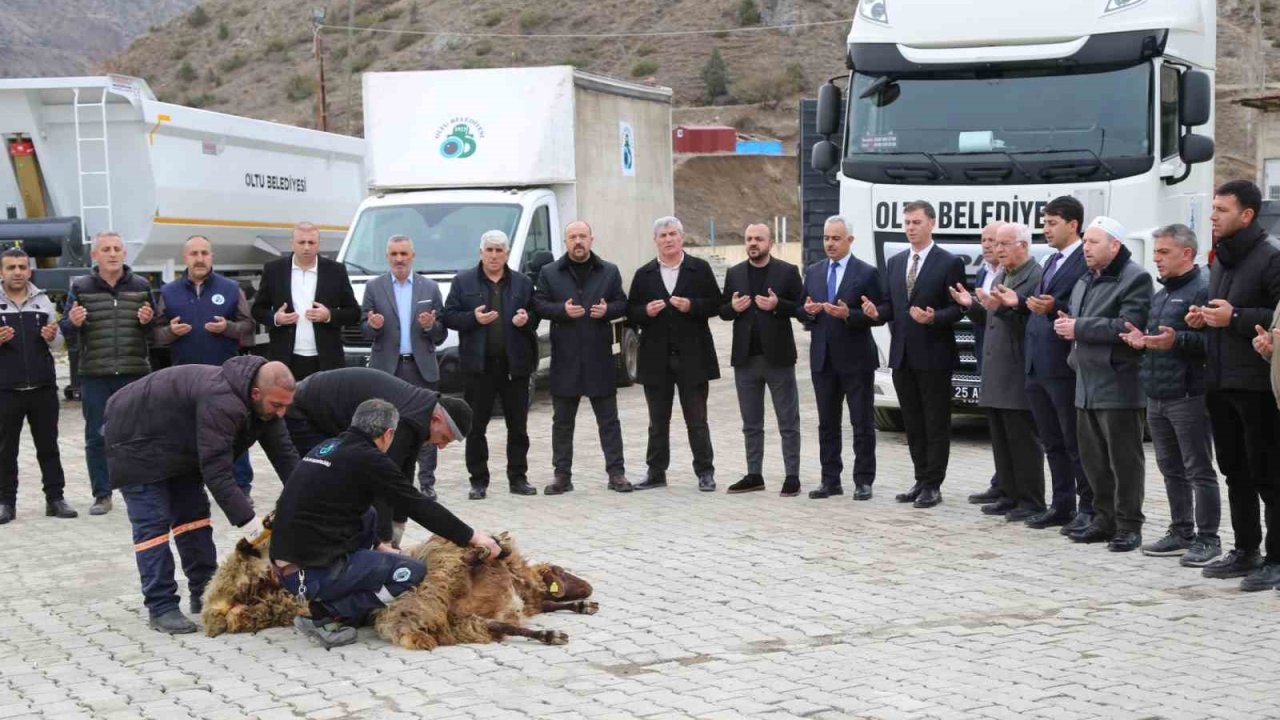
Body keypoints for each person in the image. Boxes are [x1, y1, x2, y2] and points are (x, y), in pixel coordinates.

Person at [271, 398, 500, 649]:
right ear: (389, 434)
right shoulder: (368, 458)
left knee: (368, 512)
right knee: (410, 572)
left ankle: (342, 594)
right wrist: (472, 537)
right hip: (310, 576)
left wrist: (379, 545)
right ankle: (327, 614)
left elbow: (349, 509)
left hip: (287, 567)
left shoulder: (329, 447)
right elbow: (418, 505)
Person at [103, 357, 300, 634]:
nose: (281, 413)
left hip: (177, 446)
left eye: (286, 406)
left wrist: (308, 497)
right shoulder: (223, 401)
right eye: (277, 405)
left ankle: (205, 593)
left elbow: (286, 456)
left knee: (193, 517)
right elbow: (217, 472)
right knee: (153, 526)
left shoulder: (266, 408)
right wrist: (252, 526)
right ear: (256, 393)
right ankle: (161, 607)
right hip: (135, 441)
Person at [1189, 180, 1280, 590]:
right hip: (1220, 379)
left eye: (1222, 210)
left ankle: (1277, 559)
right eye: (1213, 209)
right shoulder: (1221, 258)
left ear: (1247, 215)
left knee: (1269, 474)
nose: (1213, 216)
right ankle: (1246, 550)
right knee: (1235, 471)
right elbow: (1222, 310)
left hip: (1258, 385)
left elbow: (1275, 316)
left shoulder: (1271, 257)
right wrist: (1203, 317)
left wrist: (1236, 318)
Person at [1119, 224, 1220, 566]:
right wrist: (1141, 342)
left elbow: (1212, 345)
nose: (1157, 259)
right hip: (1157, 394)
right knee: (1170, 467)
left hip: (1188, 394)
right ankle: (1181, 531)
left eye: (1164, 252)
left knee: (1198, 469)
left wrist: (1175, 340)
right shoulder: (1161, 296)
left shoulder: (1203, 291)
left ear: (1187, 253)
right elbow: (1159, 340)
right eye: (1156, 252)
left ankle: (1208, 538)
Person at [1054, 216, 1152, 552]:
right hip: (1085, 382)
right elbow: (1077, 321)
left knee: (1124, 461)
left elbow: (1128, 325)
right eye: (1084, 242)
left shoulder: (1135, 278)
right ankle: (1103, 519)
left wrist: (1079, 327)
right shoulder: (1084, 280)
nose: (1086, 248)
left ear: (1115, 244)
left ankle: (1129, 526)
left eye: (1093, 242)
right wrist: (1069, 328)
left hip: (1118, 383)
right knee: (1093, 460)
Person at [861, 201, 965, 508]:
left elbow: (960, 308)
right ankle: (920, 478)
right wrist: (874, 312)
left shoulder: (949, 262)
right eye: (906, 222)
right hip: (903, 356)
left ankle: (934, 483)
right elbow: (890, 307)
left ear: (931, 223)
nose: (910, 227)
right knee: (913, 423)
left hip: (935, 356)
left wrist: (934, 317)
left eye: (916, 222)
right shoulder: (895, 263)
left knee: (935, 422)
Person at [285, 367, 472, 533]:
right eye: (445, 438)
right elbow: (382, 484)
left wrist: (399, 522)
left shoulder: (420, 414)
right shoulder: (406, 422)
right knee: (323, 483)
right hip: (305, 410)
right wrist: (384, 538)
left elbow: (403, 473)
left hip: (328, 411)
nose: (441, 446)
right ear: (436, 420)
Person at [949, 223, 1045, 521]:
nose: (998, 249)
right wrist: (971, 306)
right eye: (996, 244)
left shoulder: (1035, 277)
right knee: (1002, 439)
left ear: (1024, 246)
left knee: (1022, 441)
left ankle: (1030, 501)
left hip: (1017, 371)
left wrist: (1001, 307)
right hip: (996, 369)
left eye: (1005, 244)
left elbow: (1029, 324)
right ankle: (1007, 493)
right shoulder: (1004, 274)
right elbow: (993, 318)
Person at [60, 230, 155, 516]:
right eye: (106, 249)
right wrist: (73, 323)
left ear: (124, 254)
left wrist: (148, 322)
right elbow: (65, 330)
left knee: (138, 434)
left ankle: (142, 488)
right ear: (95, 255)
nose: (112, 253)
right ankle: (102, 494)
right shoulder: (80, 287)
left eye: (117, 248)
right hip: (95, 374)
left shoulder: (140, 285)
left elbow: (157, 329)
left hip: (133, 371)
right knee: (96, 436)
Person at [533, 220, 632, 495]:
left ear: (591, 239)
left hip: (598, 358)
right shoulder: (550, 272)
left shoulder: (608, 271)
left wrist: (608, 311)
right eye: (573, 237)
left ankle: (616, 473)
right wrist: (561, 311)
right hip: (565, 359)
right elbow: (538, 304)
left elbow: (623, 303)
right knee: (562, 422)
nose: (578, 241)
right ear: (565, 242)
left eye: (583, 236)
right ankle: (562, 476)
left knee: (609, 421)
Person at [154, 236, 257, 496]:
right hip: (184, 379)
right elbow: (154, 334)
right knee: (188, 436)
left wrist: (228, 328)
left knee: (233, 433)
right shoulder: (168, 292)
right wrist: (171, 331)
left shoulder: (232, 288)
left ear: (212, 256)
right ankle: (189, 489)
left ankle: (240, 487)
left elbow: (249, 327)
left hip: (225, 376)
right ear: (184, 257)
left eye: (204, 253)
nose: (199, 259)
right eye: (193, 254)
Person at [442, 230, 540, 500]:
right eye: (490, 250)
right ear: (481, 253)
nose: (494, 255)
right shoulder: (463, 282)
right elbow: (449, 316)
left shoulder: (521, 282)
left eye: (499, 250)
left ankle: (518, 478)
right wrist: (472, 318)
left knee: (518, 426)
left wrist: (526, 319)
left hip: (515, 366)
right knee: (476, 427)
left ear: (507, 254)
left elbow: (536, 312)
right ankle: (478, 481)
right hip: (479, 367)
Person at [628, 217, 722, 492]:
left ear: (682, 238)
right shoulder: (644, 274)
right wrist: (646, 311)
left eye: (672, 234)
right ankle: (656, 472)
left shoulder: (699, 269)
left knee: (697, 419)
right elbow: (630, 311)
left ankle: (705, 472)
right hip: (656, 358)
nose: (668, 239)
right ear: (655, 241)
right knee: (657, 420)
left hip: (692, 357)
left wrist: (691, 305)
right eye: (662, 235)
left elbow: (717, 304)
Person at [799, 216, 884, 500]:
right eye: (826, 238)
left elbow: (878, 314)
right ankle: (830, 479)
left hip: (856, 359)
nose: (830, 244)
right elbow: (804, 312)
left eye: (836, 238)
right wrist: (809, 311)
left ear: (850, 240)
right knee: (827, 423)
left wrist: (850, 314)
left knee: (861, 422)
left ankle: (863, 480)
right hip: (823, 359)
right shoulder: (813, 272)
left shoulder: (867, 273)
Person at [1022, 196, 1093, 532]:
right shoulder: (1050, 261)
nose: (1045, 229)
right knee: (1050, 439)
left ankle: (1087, 507)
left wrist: (1054, 306)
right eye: (1045, 222)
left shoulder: (1084, 260)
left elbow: (1078, 304)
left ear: (1073, 224)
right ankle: (1061, 504)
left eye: (1052, 223)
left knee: (1072, 440)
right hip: (1037, 362)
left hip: (1062, 364)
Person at [718, 223, 803, 494]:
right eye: (749, 239)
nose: (753, 243)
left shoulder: (787, 272)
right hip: (745, 359)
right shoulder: (735, 273)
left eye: (759, 239)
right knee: (751, 423)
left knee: (788, 422)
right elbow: (722, 310)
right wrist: (731, 307)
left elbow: (803, 309)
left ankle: (792, 476)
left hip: (779, 359)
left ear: (771, 243)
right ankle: (754, 474)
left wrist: (779, 306)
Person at [359, 234, 447, 497]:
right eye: (394, 254)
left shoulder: (429, 288)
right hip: (387, 369)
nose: (399, 259)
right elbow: (363, 329)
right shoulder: (374, 287)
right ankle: (388, 479)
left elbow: (441, 333)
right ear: (387, 257)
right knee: (385, 424)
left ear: (412, 256)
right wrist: (372, 326)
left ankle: (427, 483)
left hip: (420, 368)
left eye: (403, 254)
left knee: (427, 424)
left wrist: (431, 326)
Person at [0, 248, 76, 523]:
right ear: (2, 272)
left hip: (43, 388)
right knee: (5, 450)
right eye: (11, 267)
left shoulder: (42, 300)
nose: (17, 272)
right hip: (6, 390)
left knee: (49, 447)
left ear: (29, 270)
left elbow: (58, 346)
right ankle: (6, 503)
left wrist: (52, 335)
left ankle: (55, 499)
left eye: (22, 267)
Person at [251, 221, 359, 381]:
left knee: (324, 405)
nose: (307, 247)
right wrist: (276, 318)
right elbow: (257, 310)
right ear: (292, 244)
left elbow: (354, 312)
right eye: (302, 242)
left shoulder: (335, 271)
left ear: (318, 244)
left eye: (311, 242)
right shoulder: (274, 270)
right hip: (286, 358)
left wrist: (329, 315)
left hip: (326, 359)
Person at [968, 222, 1005, 506]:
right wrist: (969, 305)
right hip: (985, 356)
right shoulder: (983, 272)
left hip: (1006, 361)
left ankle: (1009, 484)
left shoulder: (1006, 275)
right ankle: (1000, 480)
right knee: (994, 423)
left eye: (993, 240)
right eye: (984, 239)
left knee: (1010, 426)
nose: (988, 245)